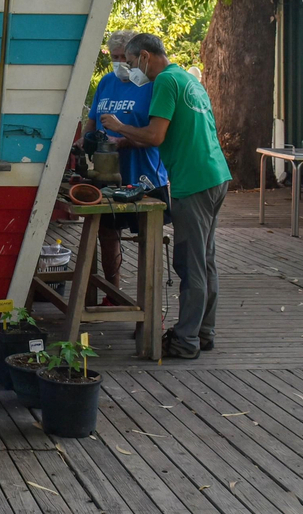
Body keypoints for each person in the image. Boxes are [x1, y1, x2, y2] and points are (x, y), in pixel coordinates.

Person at [100, 33, 231, 359]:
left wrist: (119, 127)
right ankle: (204, 332)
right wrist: (130, 141)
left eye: (130, 63)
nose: (130, 70)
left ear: (145, 56)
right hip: (216, 175)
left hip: (193, 181)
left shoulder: (165, 83)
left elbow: (156, 135)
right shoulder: (188, 79)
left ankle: (186, 341)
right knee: (206, 260)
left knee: (190, 263)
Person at [85, 30, 170, 301]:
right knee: (107, 235)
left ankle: (149, 308)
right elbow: (92, 123)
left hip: (144, 174)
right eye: (115, 57)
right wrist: (80, 144)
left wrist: (122, 139)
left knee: (148, 242)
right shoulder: (106, 82)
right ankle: (113, 293)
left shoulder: (153, 84)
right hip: (107, 175)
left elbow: (157, 134)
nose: (121, 63)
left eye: (125, 58)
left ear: (138, 57)